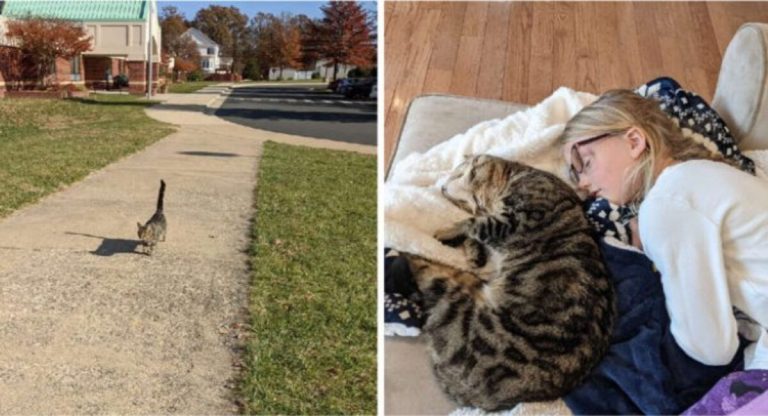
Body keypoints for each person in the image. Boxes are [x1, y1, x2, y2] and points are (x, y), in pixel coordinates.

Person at [559, 89, 768, 372]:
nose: (582, 184)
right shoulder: (701, 175)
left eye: (586, 163)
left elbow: (711, 347)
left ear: (634, 141)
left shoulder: (666, 203)